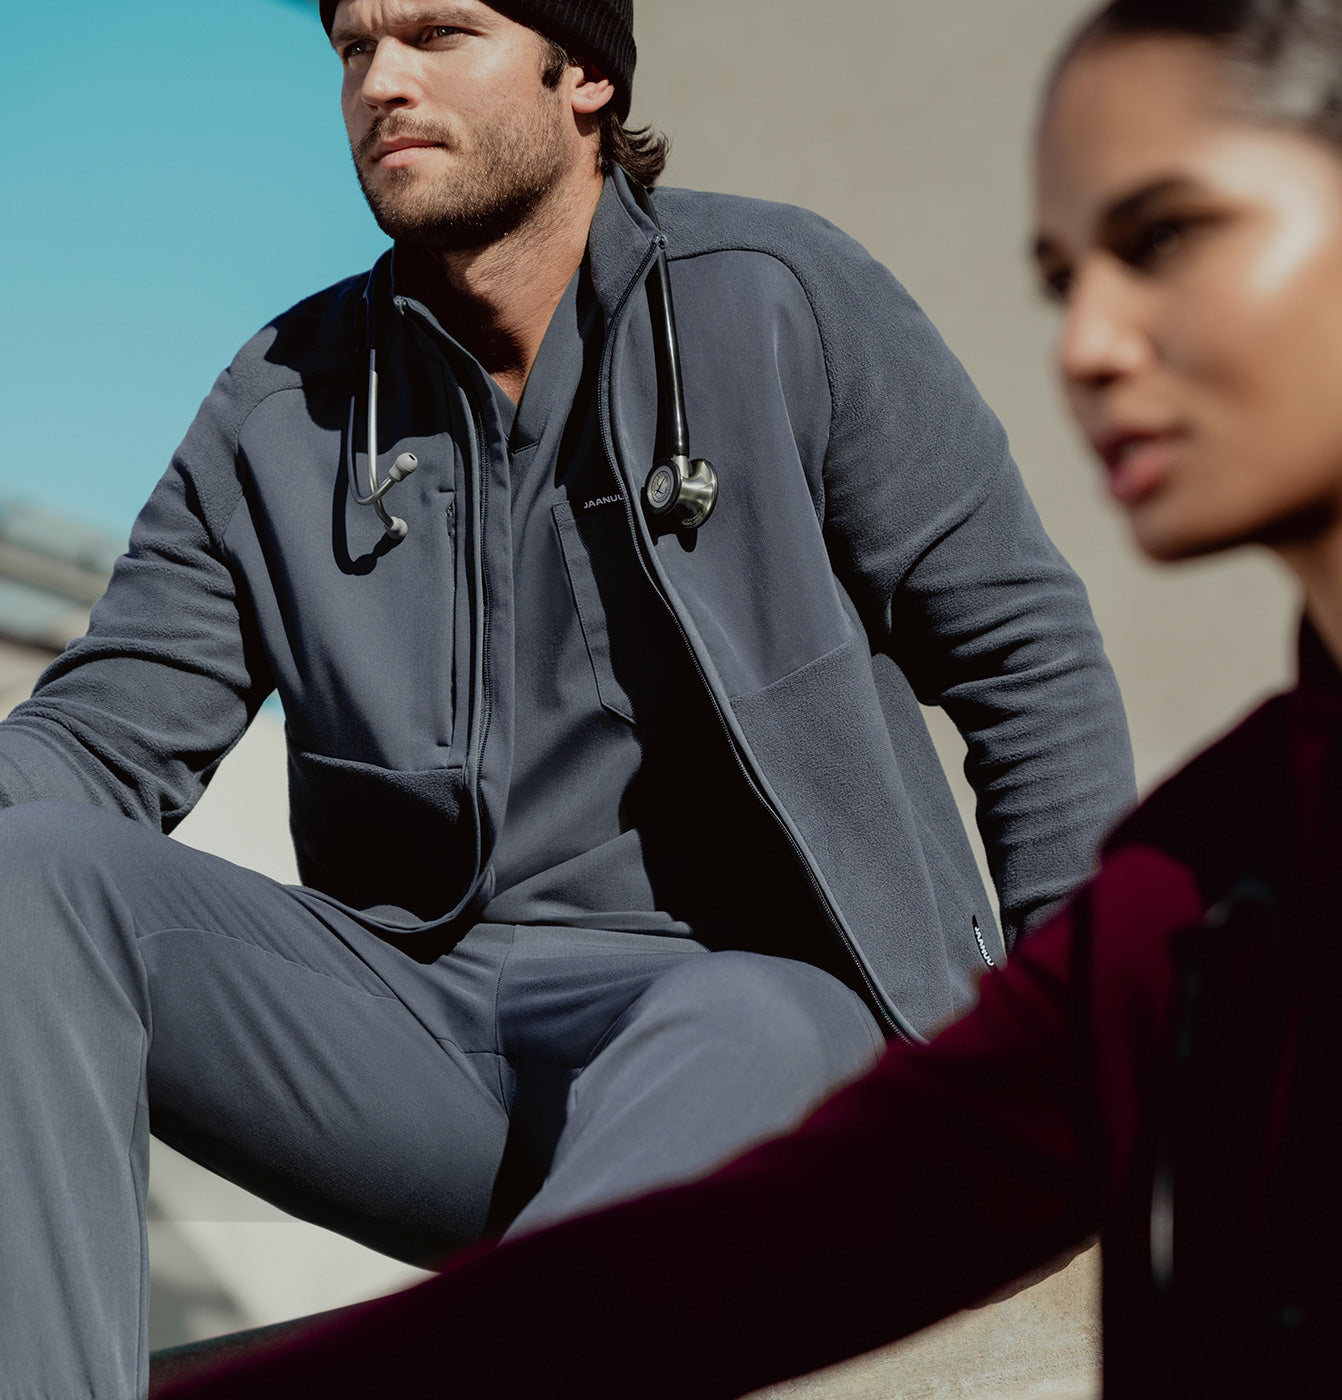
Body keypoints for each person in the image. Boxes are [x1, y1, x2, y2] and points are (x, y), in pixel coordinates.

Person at [156, 0, 1342, 1397]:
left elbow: (1020, 646)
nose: (1085, 342)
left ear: (582, 69)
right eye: (1059, 274)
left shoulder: (771, 292)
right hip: (487, 1070)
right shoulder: (1194, 890)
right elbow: (701, 1272)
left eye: (1163, 240)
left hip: (765, 1019)